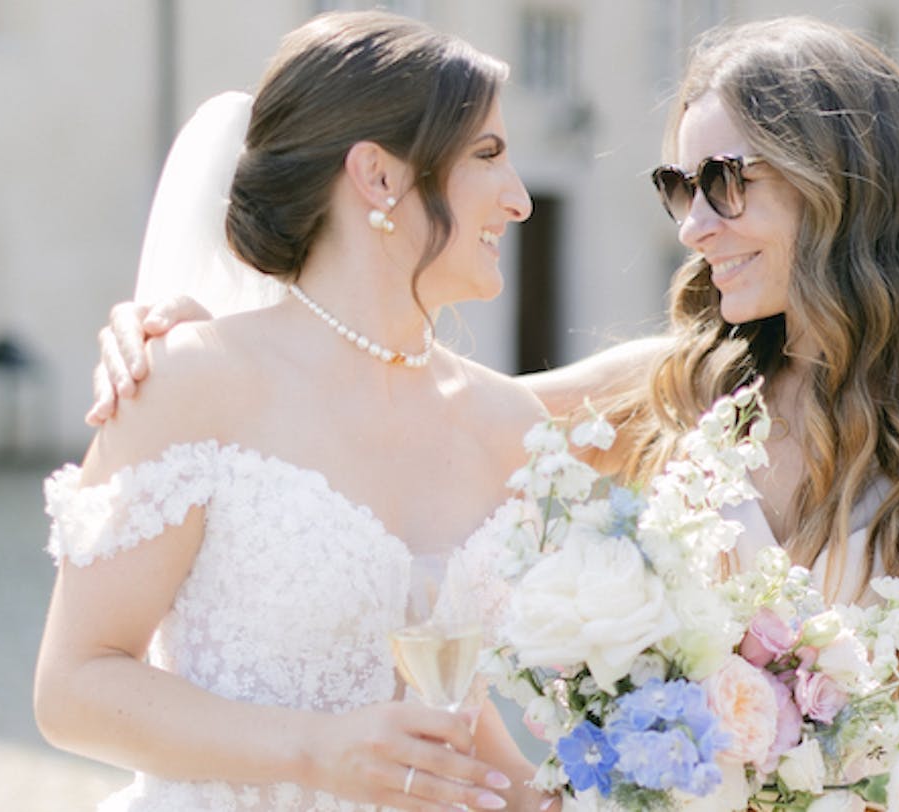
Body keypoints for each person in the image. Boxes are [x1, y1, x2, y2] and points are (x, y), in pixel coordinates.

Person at [88, 16, 899, 812]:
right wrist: (210, 331)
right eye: (679, 187)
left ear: (840, 182)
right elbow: (381, 418)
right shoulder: (672, 388)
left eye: (724, 182)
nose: (694, 224)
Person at [35, 11, 558, 811]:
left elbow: (454, 715)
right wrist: (311, 752)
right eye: (487, 154)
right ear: (378, 178)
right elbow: (73, 689)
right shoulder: (189, 380)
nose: (518, 200)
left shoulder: (508, 423)